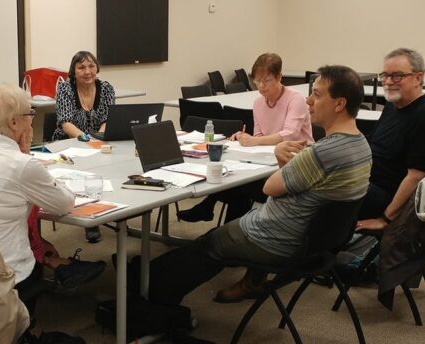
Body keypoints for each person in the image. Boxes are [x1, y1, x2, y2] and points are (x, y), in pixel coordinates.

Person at [136, 65, 371, 308]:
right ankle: (147, 275)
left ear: (340, 104)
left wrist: (281, 157)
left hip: (277, 238)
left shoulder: (323, 153)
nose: (309, 100)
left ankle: (147, 289)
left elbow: (270, 188)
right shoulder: (361, 145)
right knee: (214, 239)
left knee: (209, 245)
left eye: (317, 94)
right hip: (310, 242)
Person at [0, 83, 105, 292]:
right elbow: (65, 203)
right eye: (30, 114)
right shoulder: (20, 164)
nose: (32, 119)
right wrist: (24, 155)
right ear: (14, 122)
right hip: (1, 278)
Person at [177, 53, 313, 224]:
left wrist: (255, 141)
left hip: (295, 161)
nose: (262, 86)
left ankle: (210, 210)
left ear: (279, 77)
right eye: (257, 81)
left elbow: (290, 134)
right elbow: (258, 135)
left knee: (240, 187)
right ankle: (221, 224)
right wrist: (244, 138)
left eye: (267, 80)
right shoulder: (258, 103)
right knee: (236, 183)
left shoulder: (296, 99)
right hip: (267, 159)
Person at [355, 48, 425, 231]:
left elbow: (416, 176)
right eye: (385, 75)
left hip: (387, 195)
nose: (388, 82)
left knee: (322, 197)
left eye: (397, 76)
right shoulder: (393, 106)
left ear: (418, 78)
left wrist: (385, 219)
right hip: (369, 182)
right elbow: (373, 144)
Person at [52, 50, 114, 243]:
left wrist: (100, 138)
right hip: (67, 143)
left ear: (97, 68)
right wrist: (88, 141)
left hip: (98, 141)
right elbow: (65, 123)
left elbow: (108, 118)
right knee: (84, 172)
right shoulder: (65, 89)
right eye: (81, 67)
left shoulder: (106, 88)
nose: (87, 71)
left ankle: (113, 210)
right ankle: (91, 220)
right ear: (74, 71)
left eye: (91, 66)